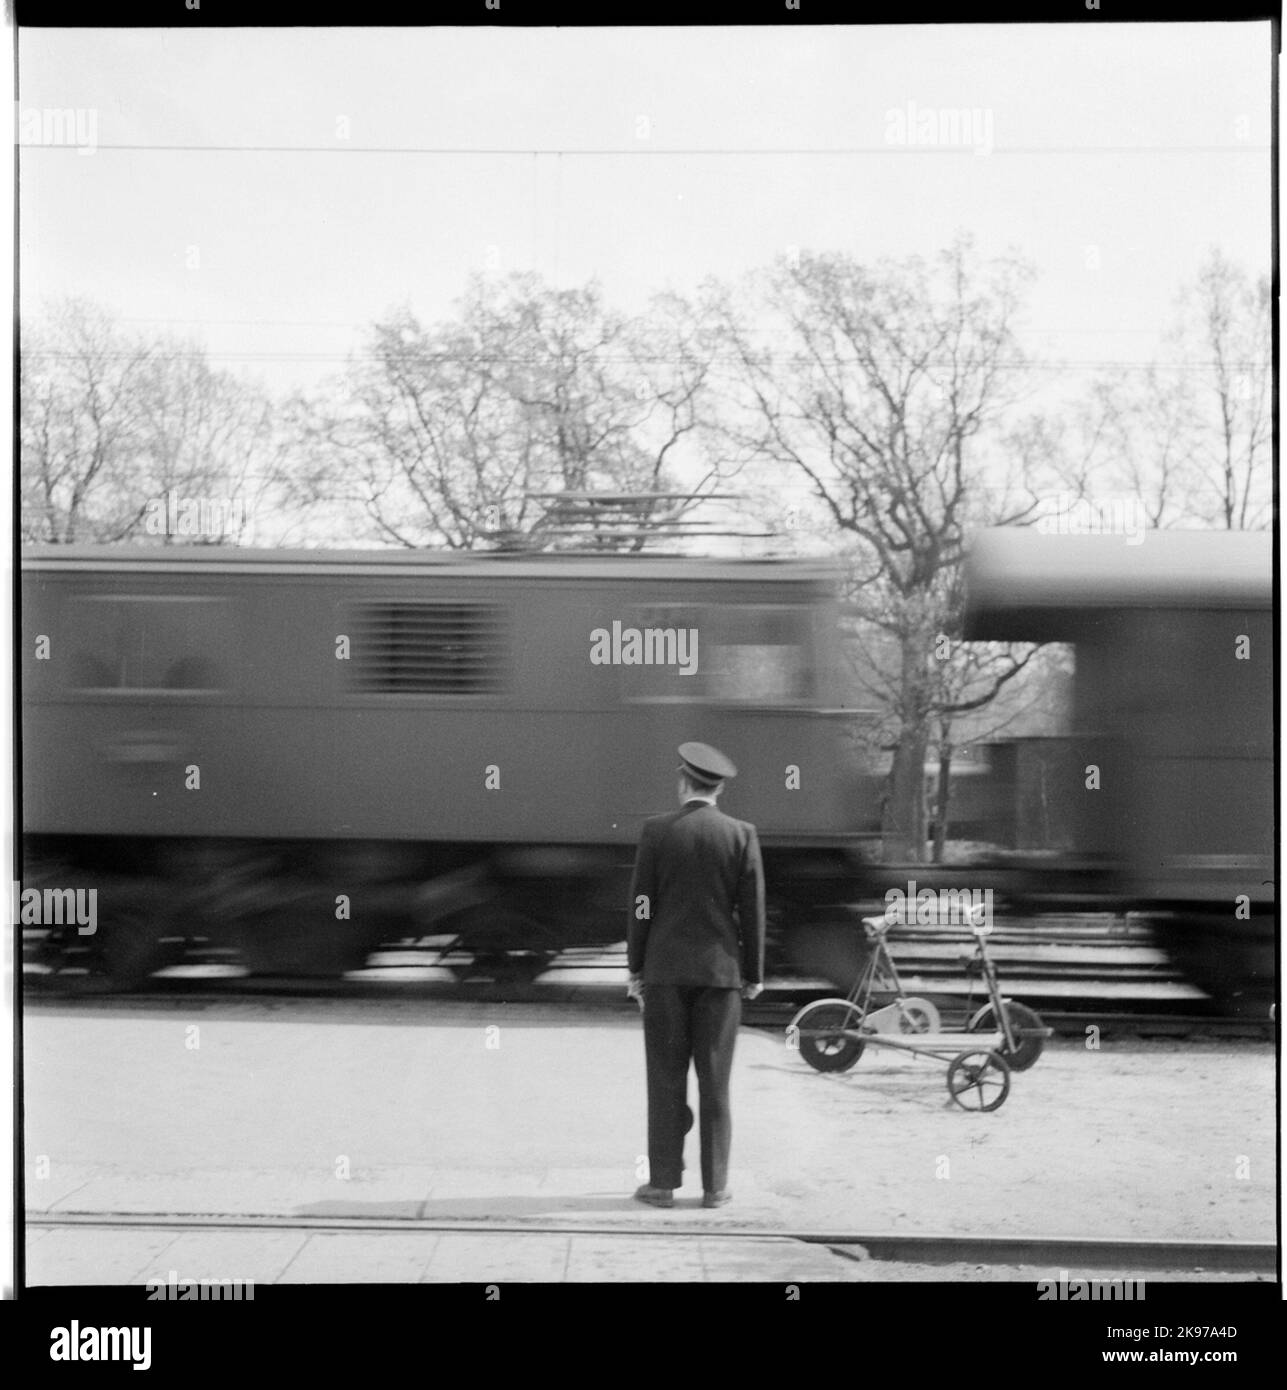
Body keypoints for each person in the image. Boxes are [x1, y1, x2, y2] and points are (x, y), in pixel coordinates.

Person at [626, 741, 766, 1209]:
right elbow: (753, 911)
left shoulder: (656, 832)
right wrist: (754, 973)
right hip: (720, 975)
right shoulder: (741, 834)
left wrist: (635, 967)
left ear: (683, 782)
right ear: (719, 788)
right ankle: (715, 1187)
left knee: (665, 1079)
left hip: (665, 973)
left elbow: (641, 905)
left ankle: (662, 1184)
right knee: (715, 1081)